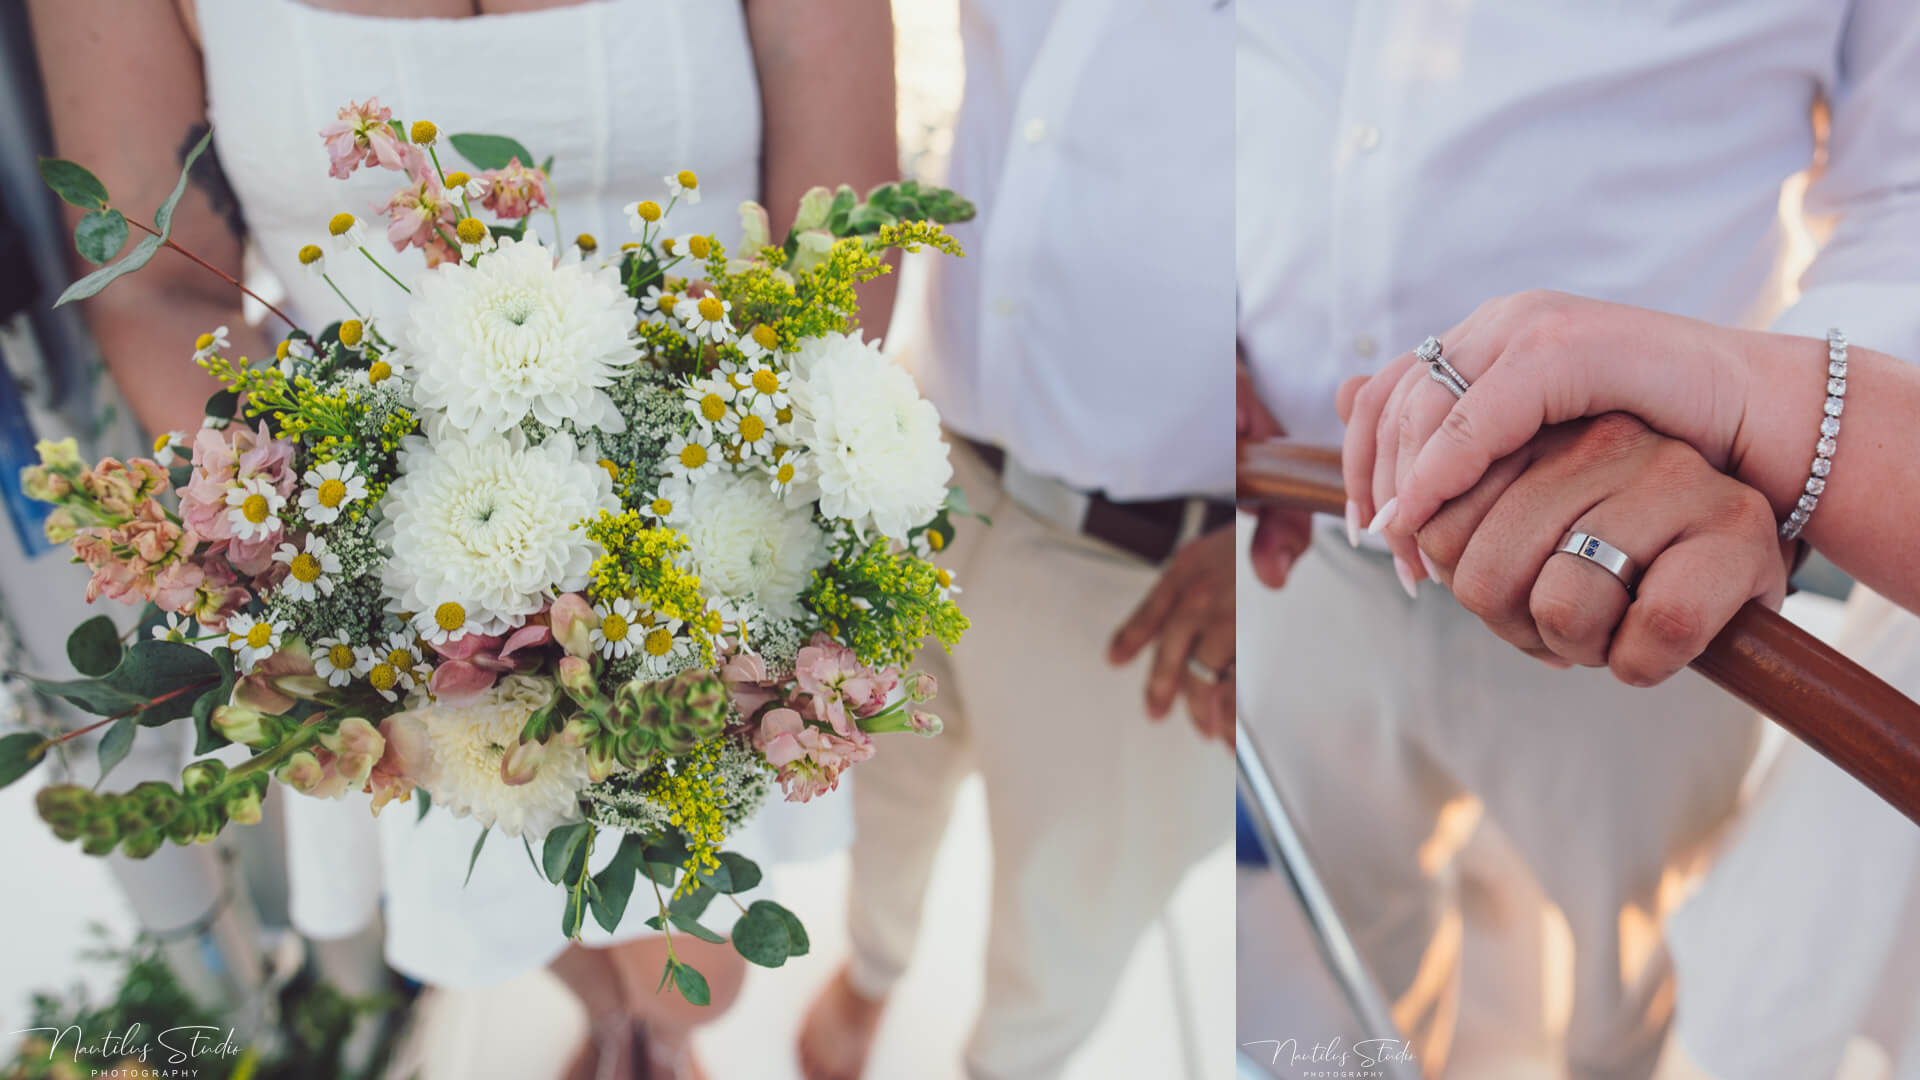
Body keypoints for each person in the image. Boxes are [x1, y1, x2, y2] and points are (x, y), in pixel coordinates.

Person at [27, 1, 898, 1076]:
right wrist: (345, 581)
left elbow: (845, 237)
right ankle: (614, 1022)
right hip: (375, 568)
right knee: (495, 882)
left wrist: (662, 582)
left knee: (701, 978)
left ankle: (658, 1027)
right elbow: (154, 287)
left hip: (706, 545)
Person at [1235, 1, 1920, 1076]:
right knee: (1344, 950)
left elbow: (1906, 186)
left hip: (1659, 591)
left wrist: (1757, 462)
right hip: (1293, 526)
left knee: (1626, 985)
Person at [794, 2, 1236, 1078]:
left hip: (1155, 563)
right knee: (881, 780)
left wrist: (1288, 541)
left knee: (1070, 901)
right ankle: (873, 970)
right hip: (935, 452)